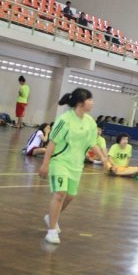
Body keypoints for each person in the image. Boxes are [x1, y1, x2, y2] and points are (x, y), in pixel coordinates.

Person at [38, 88, 111, 244]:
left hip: (77, 165)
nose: (92, 102)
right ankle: (51, 231)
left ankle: (51, 217)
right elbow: (52, 143)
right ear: (80, 102)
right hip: (60, 161)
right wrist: (45, 163)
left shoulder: (90, 122)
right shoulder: (64, 119)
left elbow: (92, 143)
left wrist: (104, 158)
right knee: (60, 194)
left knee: (70, 197)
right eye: (90, 99)